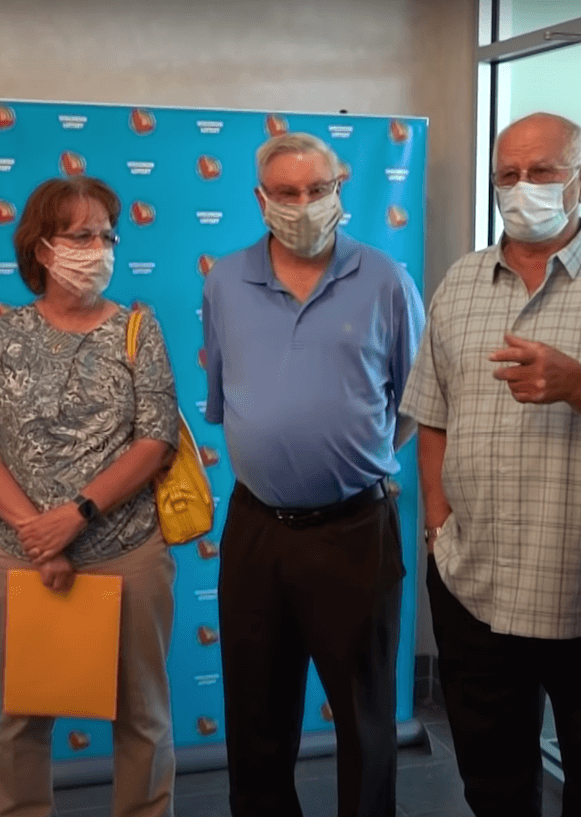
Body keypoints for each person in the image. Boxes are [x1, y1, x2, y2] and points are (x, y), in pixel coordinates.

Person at [400, 111, 581, 817]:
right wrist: (438, 526)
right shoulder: (462, 282)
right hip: (477, 582)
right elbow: (432, 413)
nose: (521, 186)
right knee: (493, 786)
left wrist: (577, 384)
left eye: (542, 172)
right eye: (508, 174)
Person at [202, 131, 425, 817]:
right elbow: (226, 395)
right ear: (260, 199)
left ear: (339, 190)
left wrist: (352, 453)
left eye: (317, 189)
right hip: (256, 528)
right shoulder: (225, 281)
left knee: (364, 715)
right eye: (286, 192)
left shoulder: (385, 279)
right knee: (256, 716)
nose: (303, 204)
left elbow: (416, 402)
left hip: (354, 528)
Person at [0, 176, 180, 817]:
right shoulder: (0, 338)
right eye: (81, 236)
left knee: (142, 715)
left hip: (128, 552)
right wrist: (41, 536)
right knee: (23, 716)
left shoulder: (138, 329)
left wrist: (76, 516)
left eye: (107, 236)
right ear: (42, 248)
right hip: (23, 557)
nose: (99, 249)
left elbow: (155, 441)